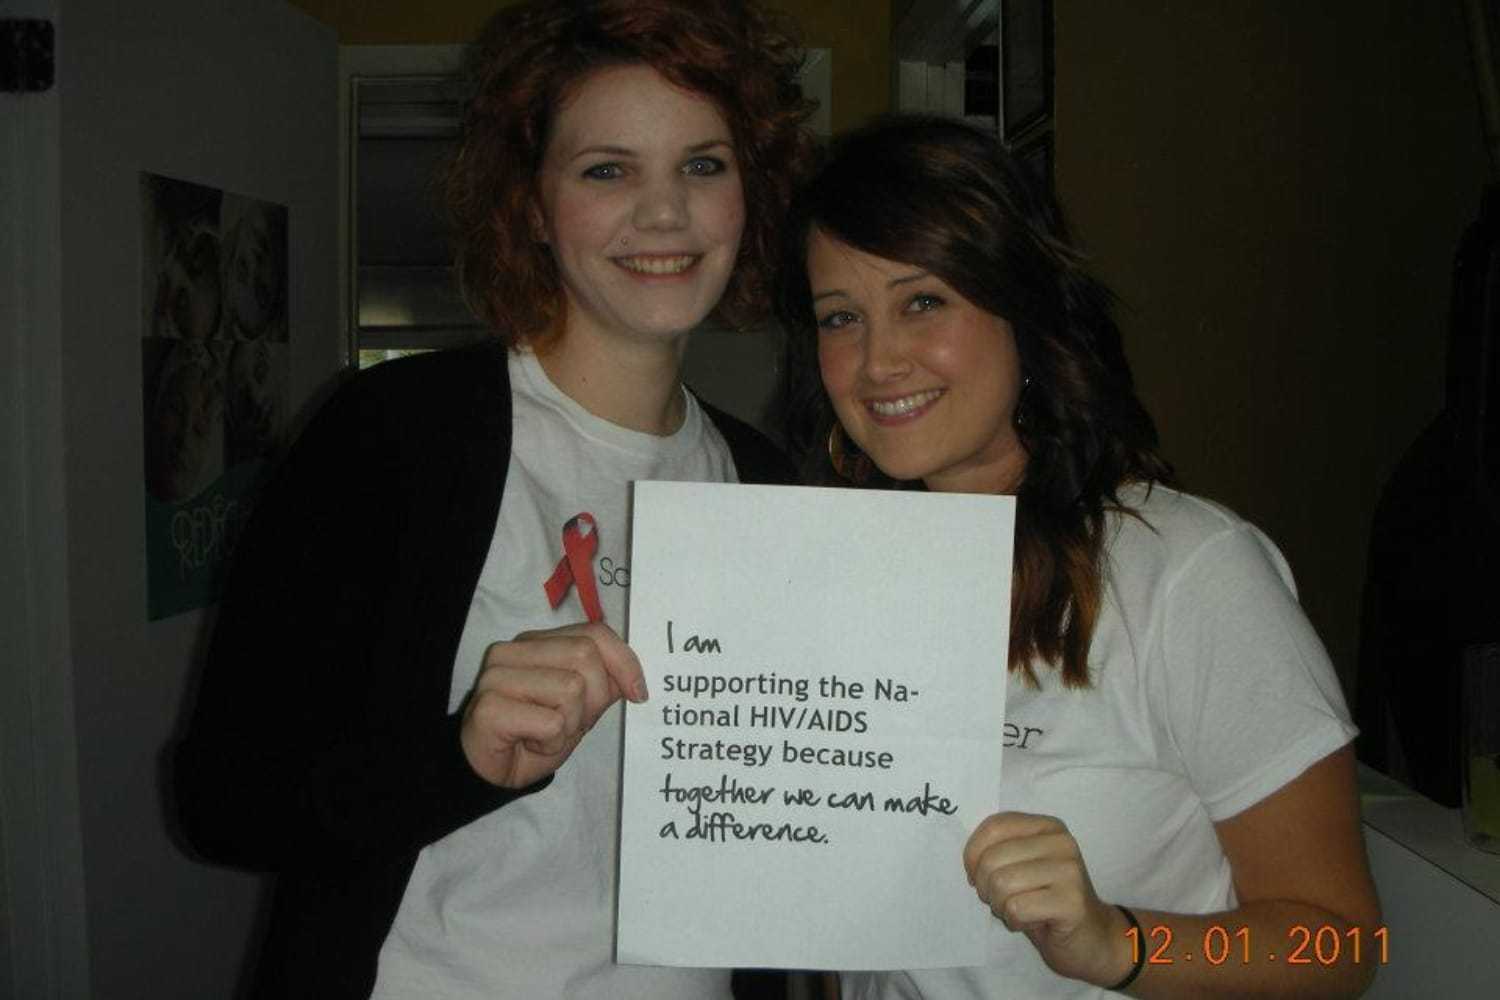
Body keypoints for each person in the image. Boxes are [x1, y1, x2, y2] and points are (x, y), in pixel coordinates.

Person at [171, 2, 815, 997]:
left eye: (704, 164)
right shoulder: (394, 436)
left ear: (752, 195)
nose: (664, 213)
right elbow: (221, 798)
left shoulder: (772, 484)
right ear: (533, 207)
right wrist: (460, 757)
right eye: (608, 169)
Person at [776, 115, 1380, 999]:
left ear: (1021, 309)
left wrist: (1115, 943)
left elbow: (1342, 948)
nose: (877, 362)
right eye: (841, 318)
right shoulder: (831, 577)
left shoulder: (1186, 572)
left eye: (924, 301)